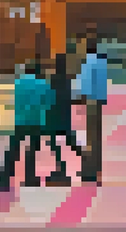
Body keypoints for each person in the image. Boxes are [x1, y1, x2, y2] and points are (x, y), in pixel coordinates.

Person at [0, 60, 52, 191]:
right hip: (36, 121)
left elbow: (14, 100)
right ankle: (30, 178)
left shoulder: (18, 83)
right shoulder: (42, 84)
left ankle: (5, 178)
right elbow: (48, 102)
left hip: (20, 120)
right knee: (32, 150)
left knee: (14, 149)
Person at [43, 51, 85, 186]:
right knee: (69, 139)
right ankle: (84, 158)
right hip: (65, 114)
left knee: (54, 142)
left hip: (55, 114)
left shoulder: (52, 80)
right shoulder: (68, 80)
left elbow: (49, 97)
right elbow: (73, 96)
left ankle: (61, 166)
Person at [74, 37, 109, 183]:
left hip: (91, 101)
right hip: (100, 101)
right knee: (98, 137)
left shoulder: (88, 63)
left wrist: (81, 99)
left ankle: (90, 169)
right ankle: (98, 166)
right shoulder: (102, 63)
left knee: (91, 137)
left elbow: (85, 84)